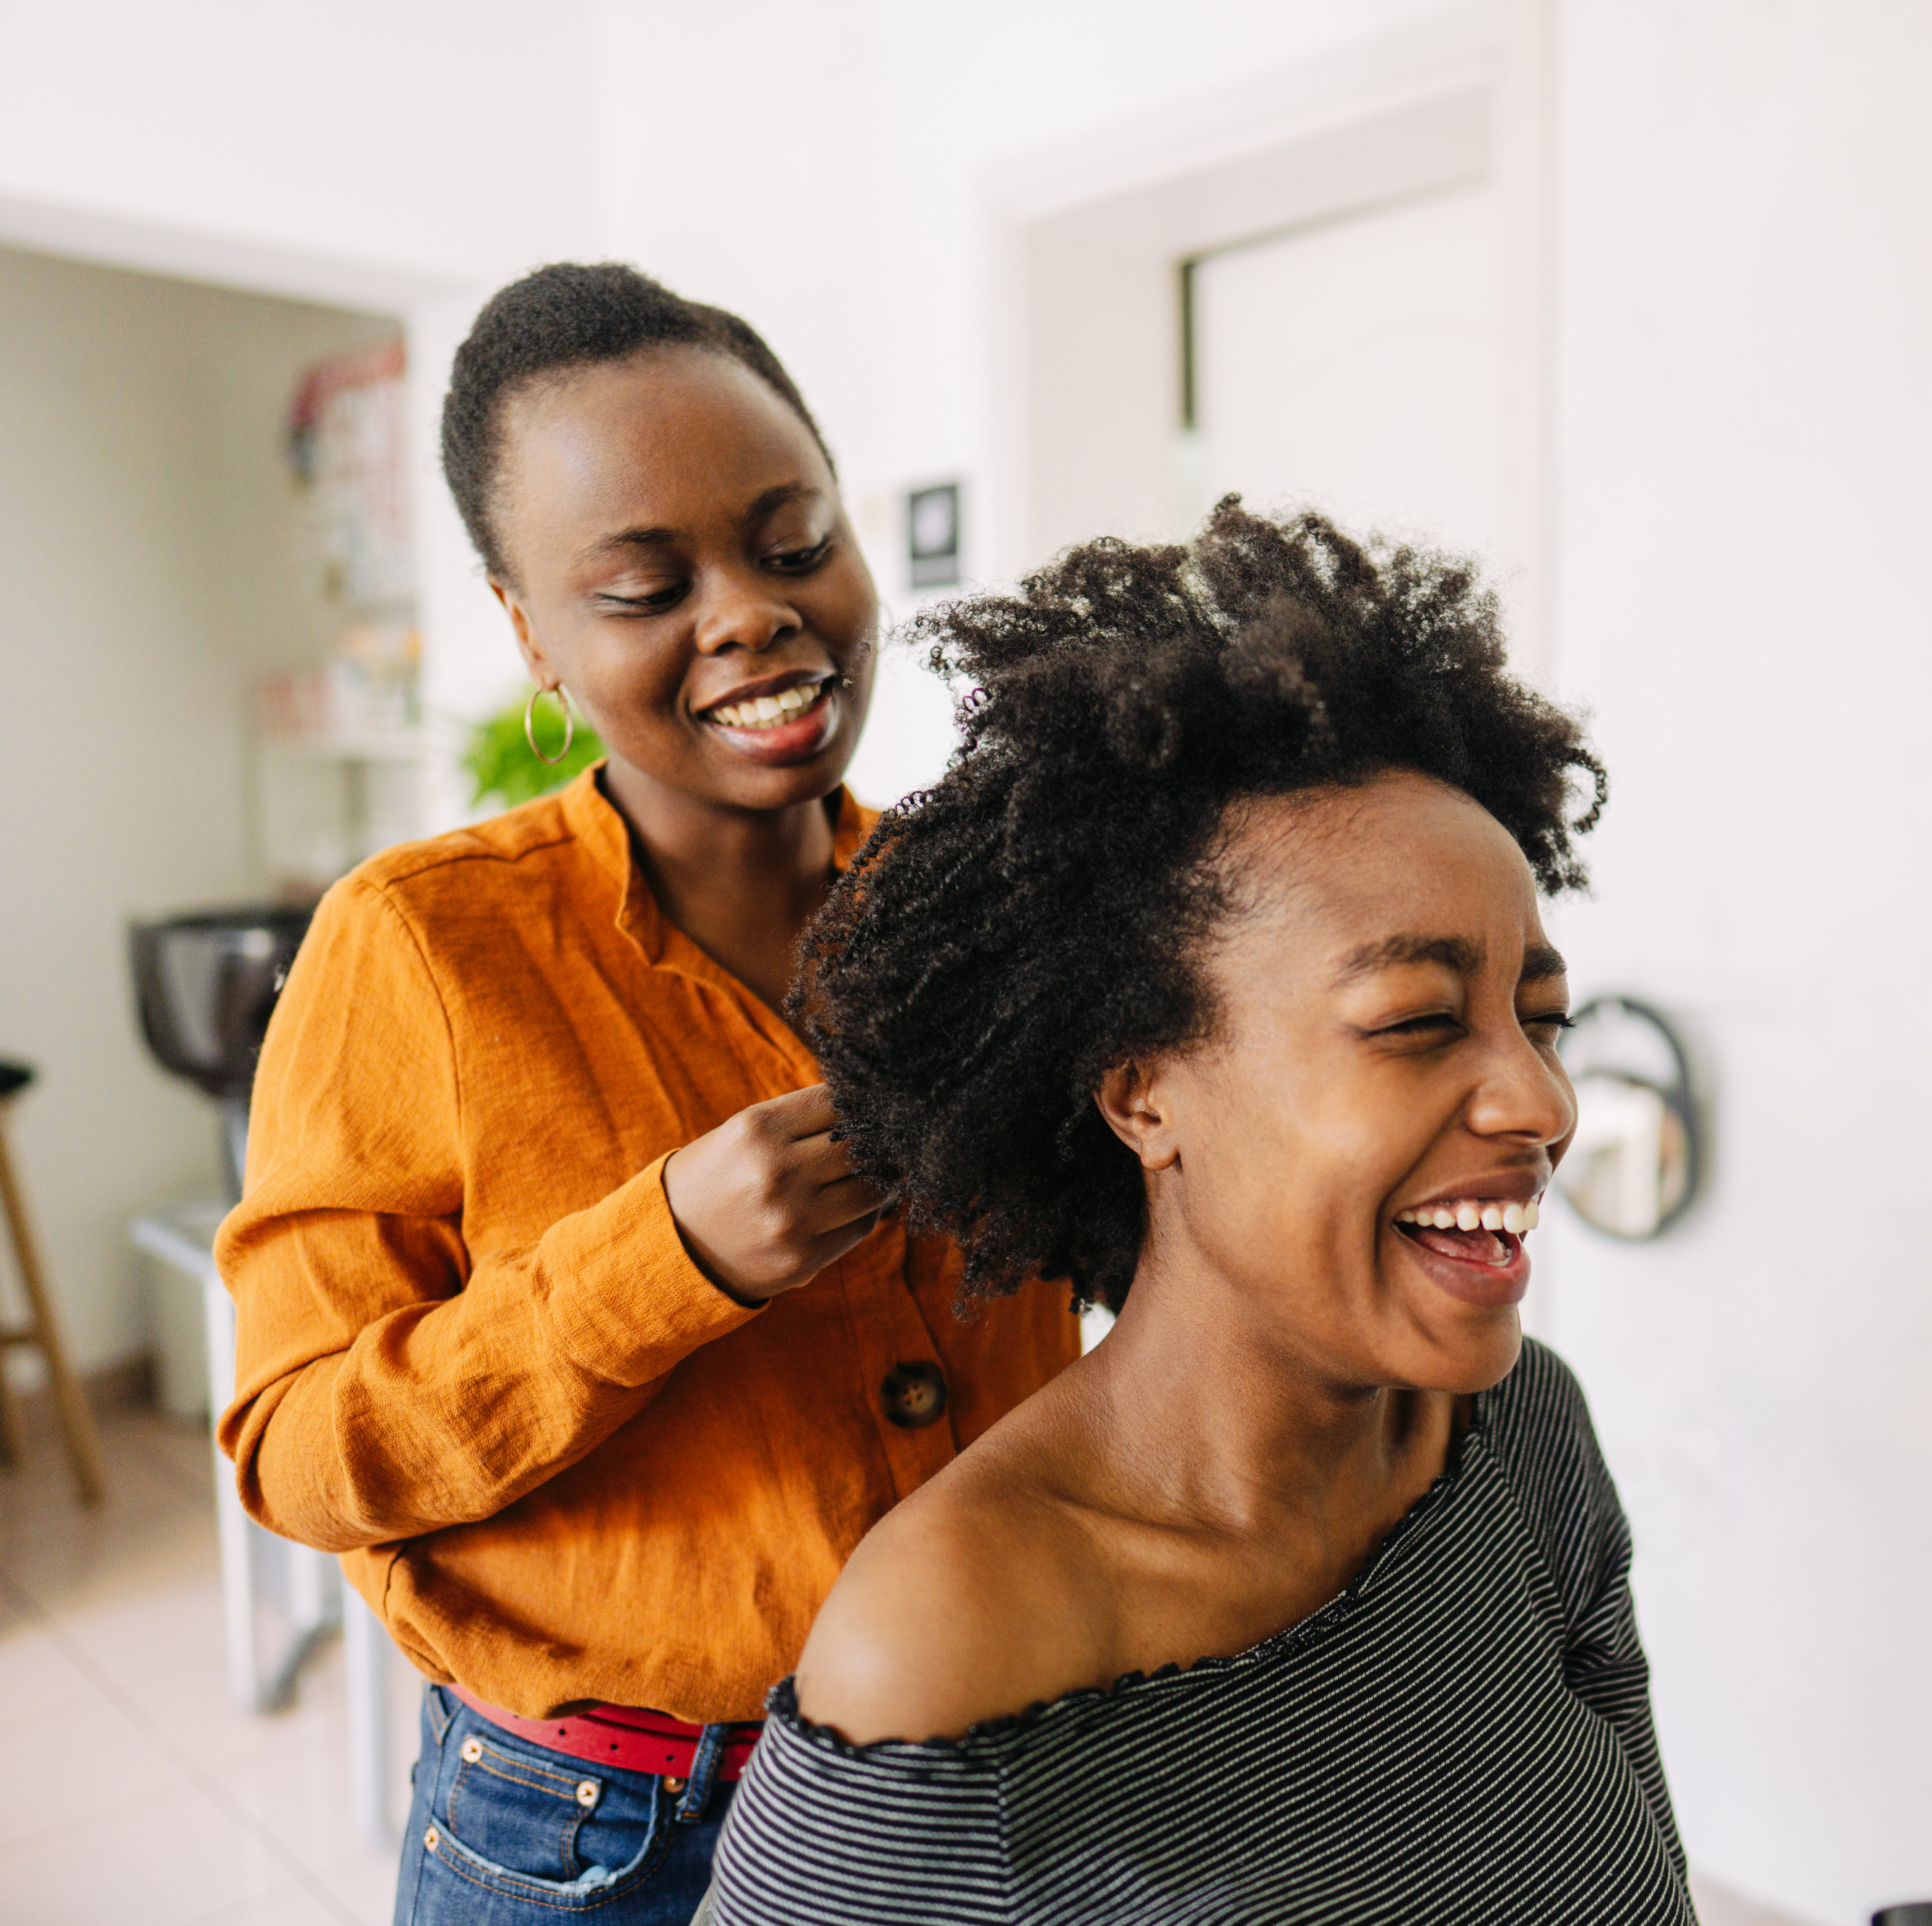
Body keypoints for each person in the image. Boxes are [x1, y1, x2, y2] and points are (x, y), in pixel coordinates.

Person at [215, 263, 1078, 1926]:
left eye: (789, 538)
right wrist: (658, 1259)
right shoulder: (415, 949)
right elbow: (299, 1453)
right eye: (643, 584)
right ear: (532, 632)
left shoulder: (991, 911)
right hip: (605, 1835)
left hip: (984, 1766)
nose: (751, 611)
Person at [704, 500, 1692, 1925]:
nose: (1537, 1102)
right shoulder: (950, 1639)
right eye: (1416, 1021)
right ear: (1145, 1093)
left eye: (1538, 1019)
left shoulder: (1523, 1432)